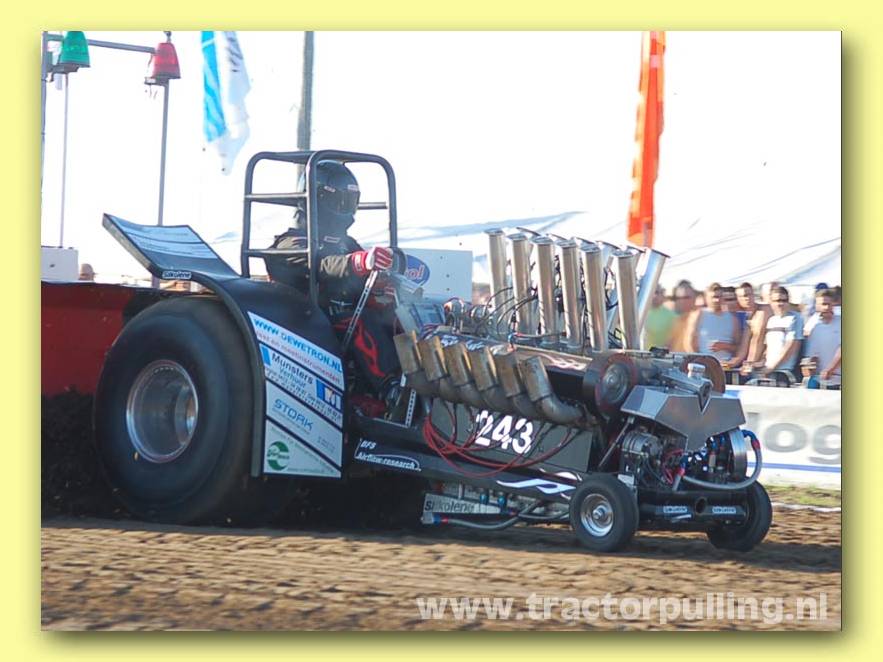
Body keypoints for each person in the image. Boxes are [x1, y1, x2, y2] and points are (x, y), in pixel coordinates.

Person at [264, 160, 399, 401]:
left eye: (350, 201)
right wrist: (359, 263)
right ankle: (393, 390)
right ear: (319, 199)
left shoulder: (346, 243)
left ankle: (422, 380)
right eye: (340, 201)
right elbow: (323, 264)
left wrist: (379, 287)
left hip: (341, 319)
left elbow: (362, 272)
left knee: (395, 317)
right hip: (305, 325)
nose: (346, 209)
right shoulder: (290, 243)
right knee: (359, 322)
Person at [755, 285, 804, 382]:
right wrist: (761, 363)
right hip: (769, 370)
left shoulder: (795, 318)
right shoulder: (771, 320)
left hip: (786, 372)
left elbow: (791, 347)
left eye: (784, 300)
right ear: (771, 302)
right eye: (777, 301)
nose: (780, 304)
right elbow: (768, 347)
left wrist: (772, 367)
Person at [686, 283, 741, 366]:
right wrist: (697, 361)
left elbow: (738, 347)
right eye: (713, 297)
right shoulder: (699, 315)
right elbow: (689, 342)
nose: (717, 300)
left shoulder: (733, 319)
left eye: (719, 297)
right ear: (706, 298)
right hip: (704, 365)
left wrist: (725, 346)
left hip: (726, 365)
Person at [803, 288, 841, 387]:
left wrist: (830, 370)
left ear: (833, 304)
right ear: (816, 306)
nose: (826, 307)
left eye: (829, 304)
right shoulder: (815, 327)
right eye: (823, 304)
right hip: (820, 382)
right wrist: (809, 366)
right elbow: (813, 355)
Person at [642, 285, 678, 350]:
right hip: (638, 353)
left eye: (658, 292)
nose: (655, 296)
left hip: (659, 355)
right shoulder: (639, 312)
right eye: (653, 292)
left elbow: (674, 340)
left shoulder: (672, 316)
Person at [668, 280, 697, 352]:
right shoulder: (673, 319)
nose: (682, 301)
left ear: (694, 298)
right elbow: (669, 344)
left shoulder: (702, 317)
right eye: (679, 298)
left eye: (686, 297)